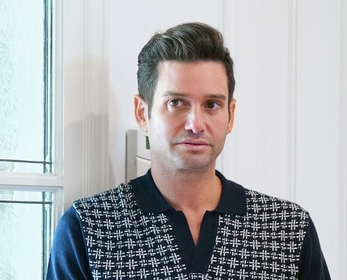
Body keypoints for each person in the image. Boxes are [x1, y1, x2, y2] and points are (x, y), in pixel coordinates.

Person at [47, 22, 330, 279]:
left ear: (230, 116)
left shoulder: (288, 229)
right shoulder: (88, 229)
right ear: (142, 112)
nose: (196, 124)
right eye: (176, 103)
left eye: (212, 105)